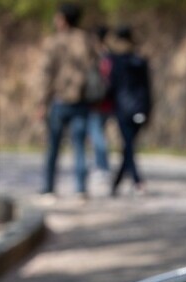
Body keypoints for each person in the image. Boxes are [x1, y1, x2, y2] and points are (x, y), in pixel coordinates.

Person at [37, 2, 95, 201]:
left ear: (63, 19)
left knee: (53, 146)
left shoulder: (54, 42)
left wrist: (41, 102)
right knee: (79, 145)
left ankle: (49, 188)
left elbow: (46, 74)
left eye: (57, 17)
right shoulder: (87, 40)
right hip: (81, 101)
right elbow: (95, 67)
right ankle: (80, 189)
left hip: (60, 101)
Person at [107, 25, 152, 196]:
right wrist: (148, 109)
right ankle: (121, 182)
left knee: (128, 146)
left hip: (123, 108)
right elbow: (147, 89)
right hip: (139, 107)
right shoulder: (140, 60)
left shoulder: (115, 61)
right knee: (129, 146)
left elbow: (111, 86)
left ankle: (135, 181)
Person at [87, 26, 113, 188]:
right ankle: (100, 165)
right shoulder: (109, 54)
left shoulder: (97, 56)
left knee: (96, 134)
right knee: (98, 133)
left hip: (97, 101)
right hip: (108, 101)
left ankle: (103, 167)